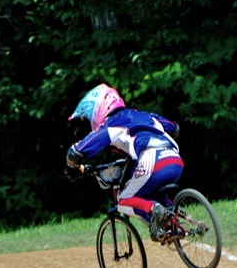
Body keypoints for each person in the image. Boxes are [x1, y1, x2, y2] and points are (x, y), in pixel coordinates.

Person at [66, 83, 183, 240]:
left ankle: (154, 208)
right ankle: (173, 217)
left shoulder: (111, 124)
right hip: (175, 158)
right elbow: (174, 128)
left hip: (151, 159)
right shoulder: (144, 115)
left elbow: (78, 150)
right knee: (148, 190)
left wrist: (72, 162)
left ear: (98, 109)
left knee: (123, 201)